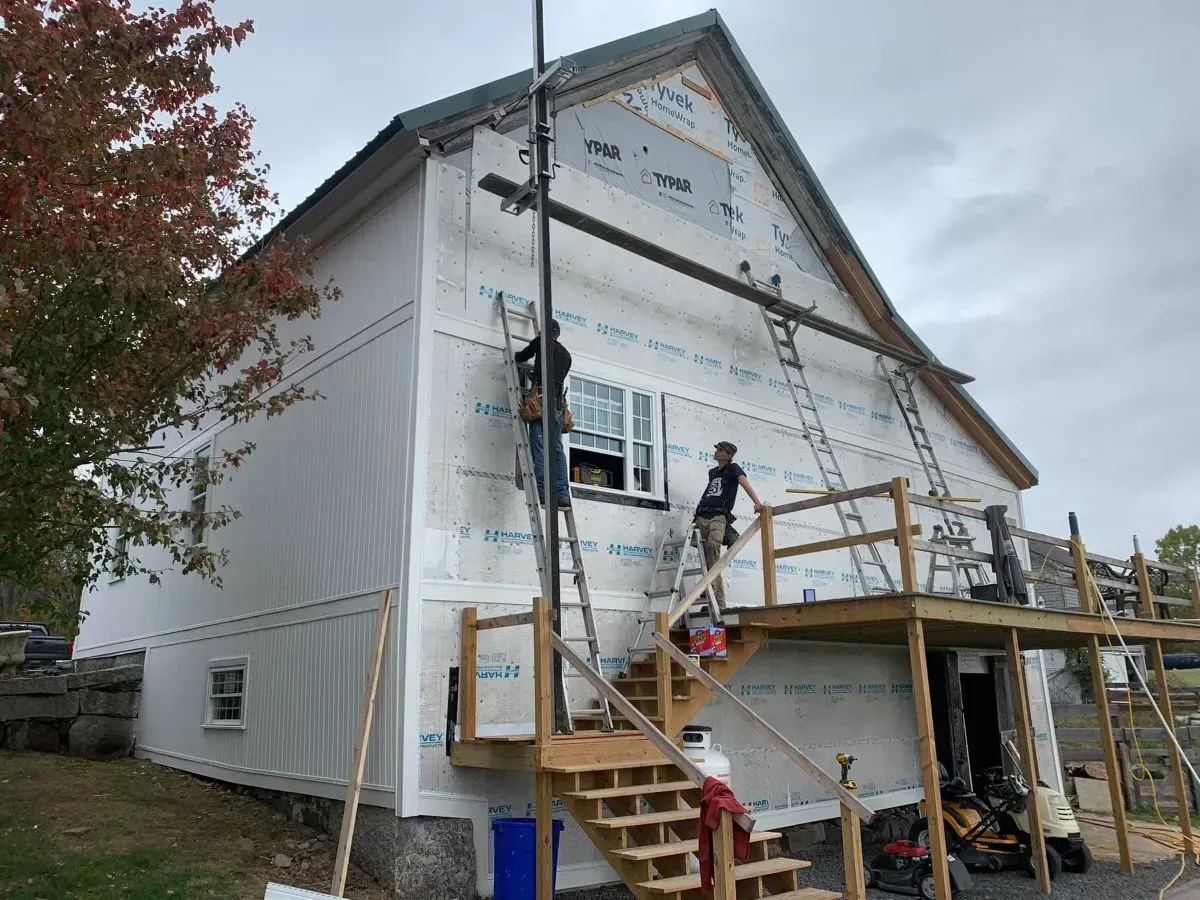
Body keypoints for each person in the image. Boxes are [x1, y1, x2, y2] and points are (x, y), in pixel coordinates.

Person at [693, 441, 763, 611]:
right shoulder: (713, 472)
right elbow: (708, 492)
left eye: (720, 450)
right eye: (717, 449)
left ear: (728, 455)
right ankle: (713, 596)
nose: (716, 452)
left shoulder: (733, 468)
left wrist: (757, 503)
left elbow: (744, 484)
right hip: (704, 514)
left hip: (719, 515)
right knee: (707, 557)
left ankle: (711, 591)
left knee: (713, 547)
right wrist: (696, 514)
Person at [514, 319, 572, 508]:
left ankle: (544, 493)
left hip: (541, 403)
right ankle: (563, 495)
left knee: (539, 449)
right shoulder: (566, 355)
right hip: (557, 407)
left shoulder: (541, 342)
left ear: (545, 332)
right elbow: (556, 376)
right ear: (558, 334)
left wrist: (512, 355)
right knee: (556, 450)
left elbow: (522, 356)